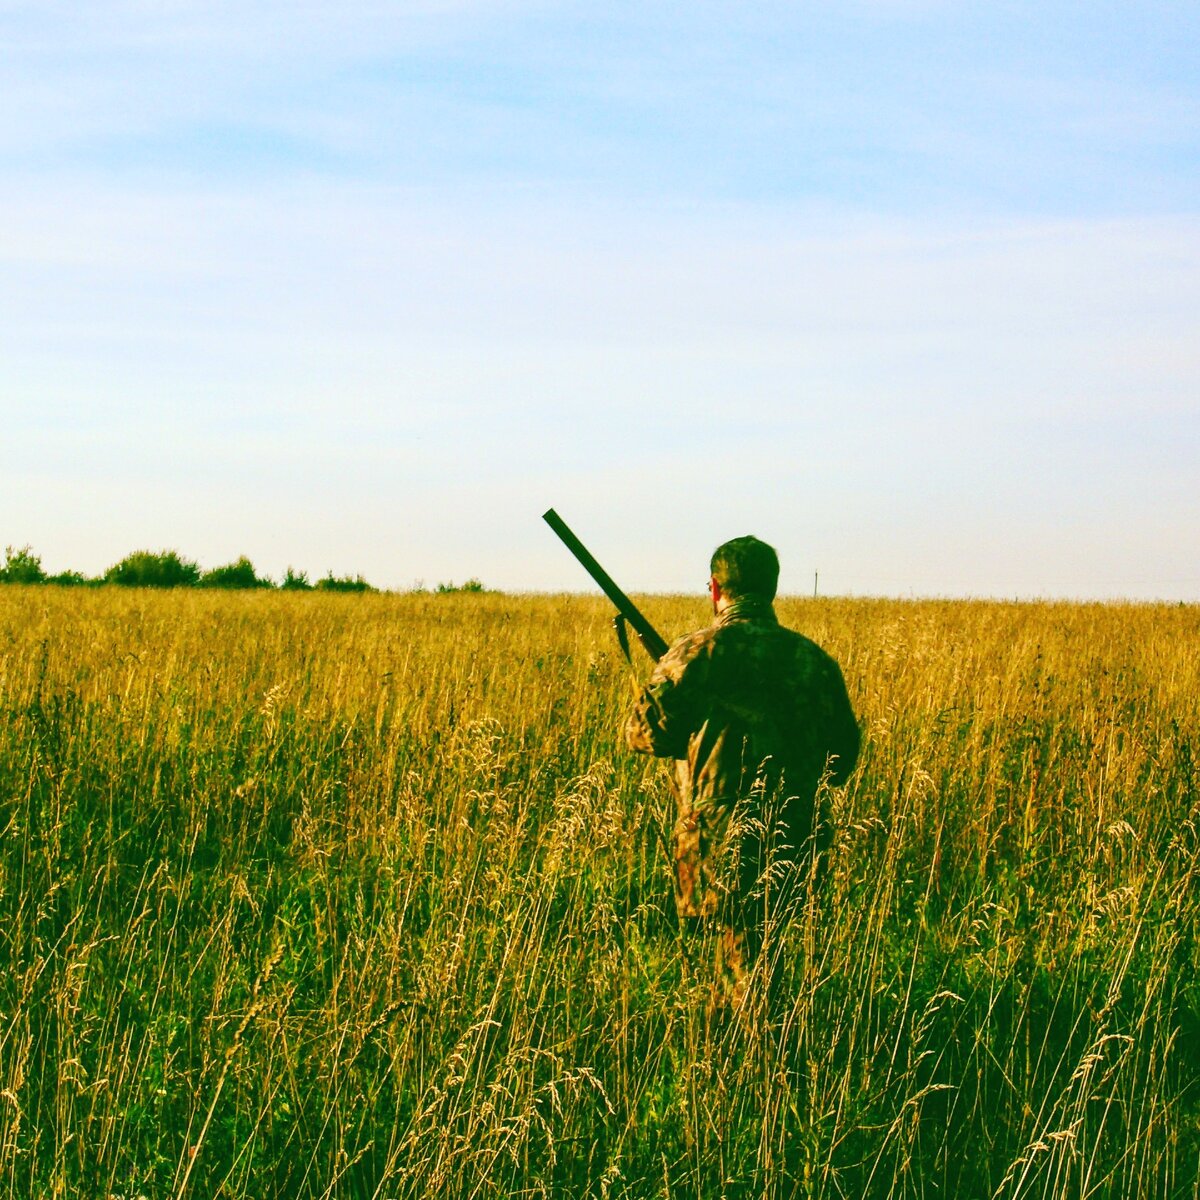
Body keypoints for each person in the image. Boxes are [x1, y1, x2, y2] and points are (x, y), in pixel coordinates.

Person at [626, 535, 859, 1008]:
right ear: (771, 589)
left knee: (736, 962)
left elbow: (641, 736)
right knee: (769, 952)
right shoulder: (813, 661)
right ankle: (770, 1046)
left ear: (715, 589)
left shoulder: (693, 654)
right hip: (799, 828)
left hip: (717, 833)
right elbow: (843, 758)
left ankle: (747, 1057)